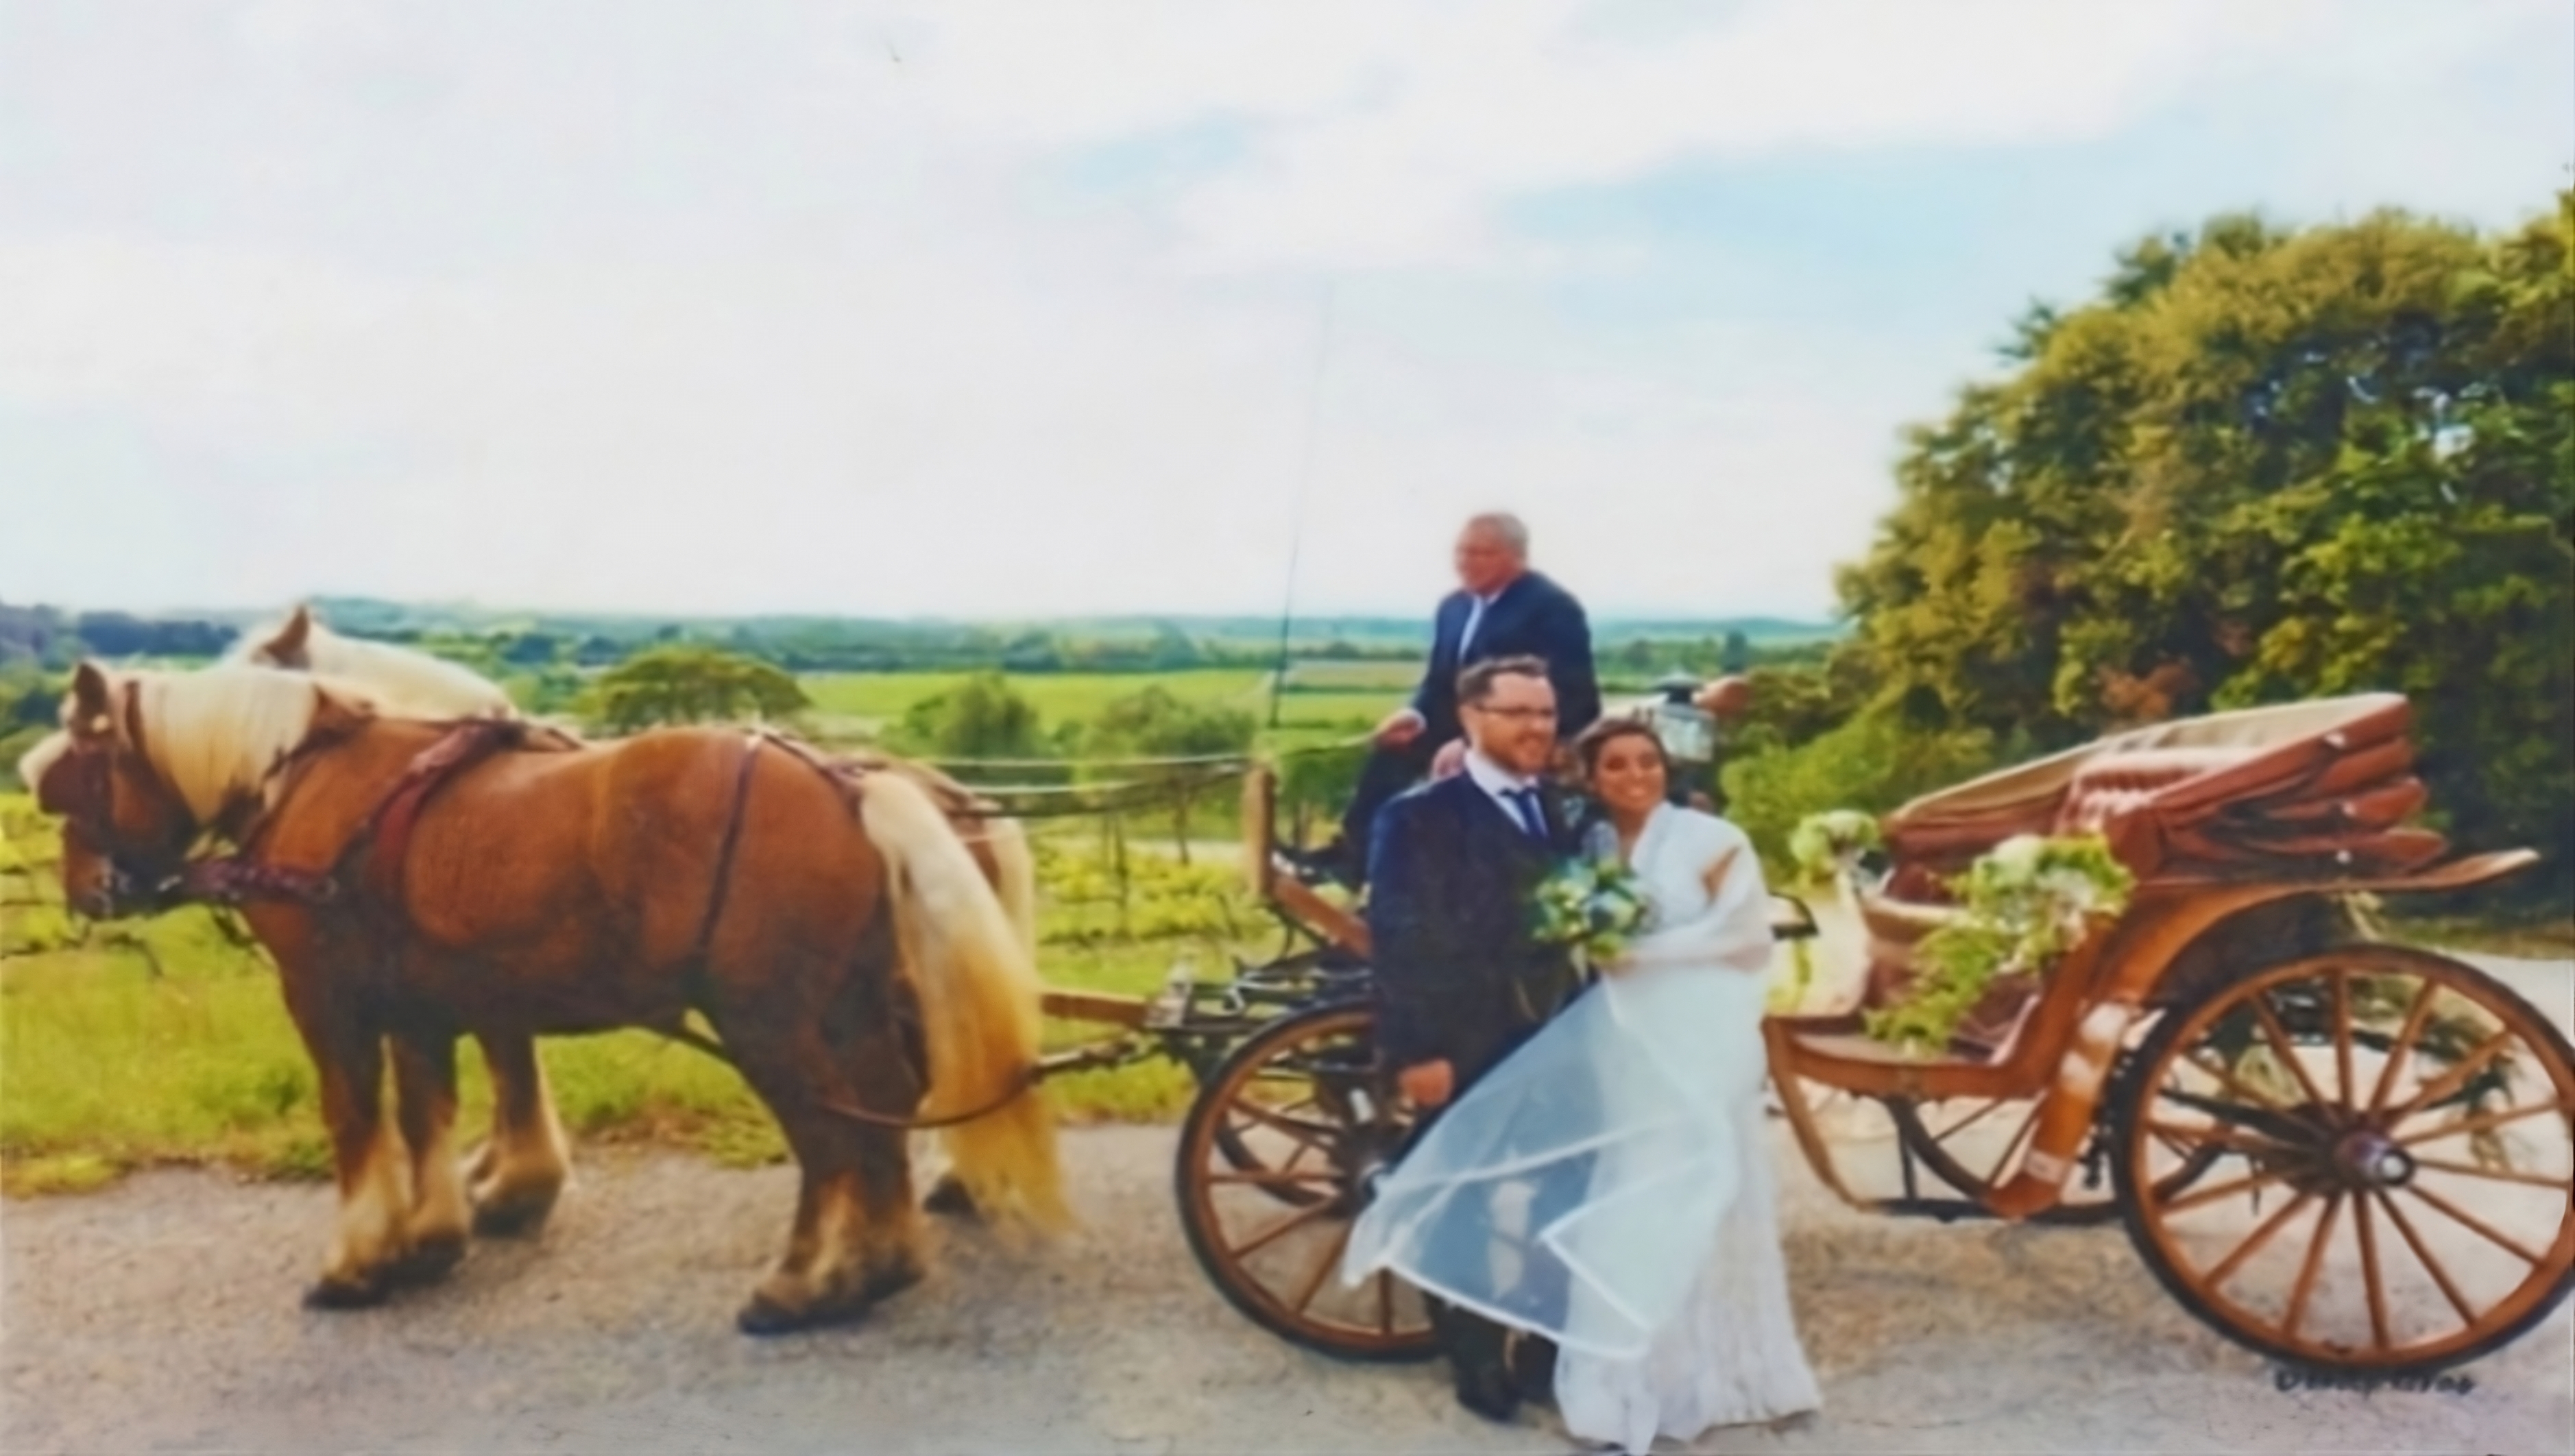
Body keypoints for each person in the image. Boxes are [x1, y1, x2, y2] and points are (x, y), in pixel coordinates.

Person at [1344, 716, 1820, 1450]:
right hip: (1613, 1035)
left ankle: (1688, 1367)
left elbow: (1749, 940)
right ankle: (1609, 1370)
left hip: (1692, 1035)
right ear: (1591, 781)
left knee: (1684, 1187)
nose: (1637, 777)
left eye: (1649, 762)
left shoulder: (1710, 840)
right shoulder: (1589, 843)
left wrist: (1642, 954)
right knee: (1619, 1192)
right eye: (1618, 766)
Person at [1351, 655, 1593, 1422]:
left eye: (1546, 714)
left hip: (1550, 1038)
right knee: (1461, 1201)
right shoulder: (1420, 816)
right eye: (1518, 712)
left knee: (1569, 1189)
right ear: (1472, 719)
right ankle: (1475, 1357)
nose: (1536, 728)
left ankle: (1544, 1348)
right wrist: (1419, 1051)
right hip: (1461, 1041)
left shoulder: (1553, 809)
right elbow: (1400, 934)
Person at [1305, 513, 1601, 886]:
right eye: (1461, 552)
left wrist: (1474, 744)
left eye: (1482, 553)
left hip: (1523, 736)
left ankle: (1417, 877)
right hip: (1461, 730)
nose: (1467, 562)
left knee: (1454, 782)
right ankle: (1355, 855)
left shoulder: (1552, 608)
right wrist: (1413, 715)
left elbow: (1573, 694)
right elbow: (1439, 681)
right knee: (1391, 753)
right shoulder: (1453, 608)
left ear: (1518, 557)